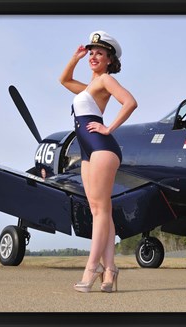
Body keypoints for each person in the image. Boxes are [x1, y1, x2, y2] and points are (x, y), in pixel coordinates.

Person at [59, 31, 137, 293]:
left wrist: (109, 128)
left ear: (109, 60)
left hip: (103, 148)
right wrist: (76, 57)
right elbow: (64, 79)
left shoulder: (105, 80)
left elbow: (130, 102)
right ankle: (110, 271)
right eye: (91, 52)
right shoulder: (89, 87)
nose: (93, 56)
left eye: (99, 53)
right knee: (98, 210)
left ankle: (91, 269)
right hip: (87, 152)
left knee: (101, 209)